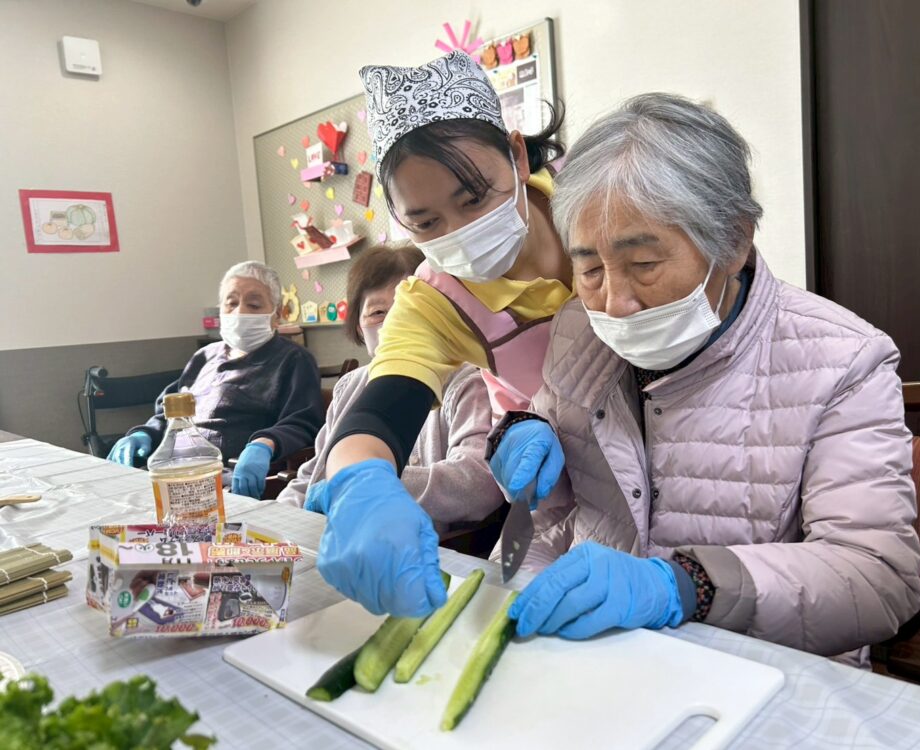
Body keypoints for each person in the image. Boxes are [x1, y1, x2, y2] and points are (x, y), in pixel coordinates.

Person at [487, 94, 920, 665]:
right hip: (598, 656)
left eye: (644, 264)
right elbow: (549, 518)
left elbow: (876, 578)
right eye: (589, 268)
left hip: (762, 673)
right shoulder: (578, 327)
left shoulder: (844, 360)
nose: (614, 303)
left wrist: (687, 585)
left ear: (734, 240)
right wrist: (523, 430)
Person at [309, 50, 573, 617]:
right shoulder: (434, 301)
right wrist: (361, 485)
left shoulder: (598, 205)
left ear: (518, 154)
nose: (461, 234)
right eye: (426, 222)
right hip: (566, 500)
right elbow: (379, 413)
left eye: (474, 197)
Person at [277, 244, 504, 534]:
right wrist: (279, 522)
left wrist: (368, 482)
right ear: (358, 326)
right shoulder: (350, 385)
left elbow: (478, 485)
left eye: (406, 310)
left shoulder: (467, 382)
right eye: (377, 312)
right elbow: (314, 474)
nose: (394, 323)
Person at [107, 261, 325, 500]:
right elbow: (171, 412)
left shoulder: (293, 359)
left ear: (277, 314)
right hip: (177, 472)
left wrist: (263, 445)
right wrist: (144, 434)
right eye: (231, 303)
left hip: (231, 480)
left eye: (253, 304)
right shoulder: (205, 356)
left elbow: (302, 421)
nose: (240, 311)